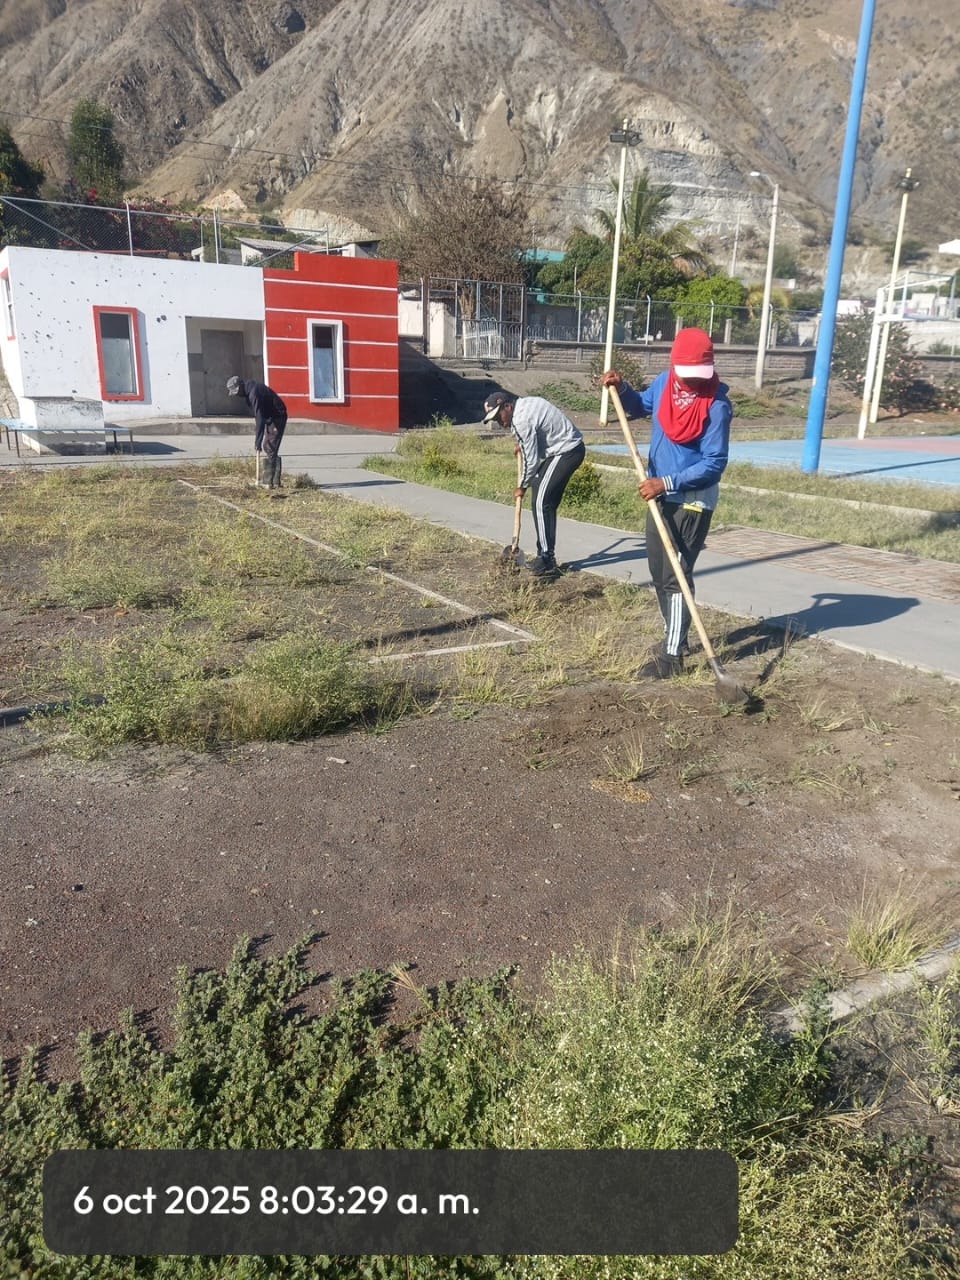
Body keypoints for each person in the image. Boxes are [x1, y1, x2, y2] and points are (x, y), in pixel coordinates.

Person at [602, 328, 733, 679]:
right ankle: (675, 637)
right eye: (687, 374)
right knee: (659, 572)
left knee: (676, 575)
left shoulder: (717, 406)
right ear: (675, 365)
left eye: (698, 375)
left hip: (690, 500)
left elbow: (714, 464)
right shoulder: (665, 383)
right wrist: (622, 389)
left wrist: (667, 482)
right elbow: (640, 406)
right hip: (659, 494)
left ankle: (672, 657)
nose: (693, 382)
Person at [481, 390, 585, 577]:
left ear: (507, 406)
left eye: (498, 416)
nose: (499, 422)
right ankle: (546, 555)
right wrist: (523, 444)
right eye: (494, 419)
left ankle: (546, 559)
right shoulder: (525, 405)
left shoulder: (521, 420)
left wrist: (522, 486)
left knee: (541, 501)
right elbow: (535, 434)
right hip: (565, 449)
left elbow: (531, 460)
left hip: (567, 451)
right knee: (543, 498)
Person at [226, 376, 288, 488]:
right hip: (271, 416)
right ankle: (274, 481)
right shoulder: (250, 392)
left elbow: (259, 418)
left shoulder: (253, 393)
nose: (237, 395)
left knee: (269, 447)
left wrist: (257, 442)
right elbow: (260, 416)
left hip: (278, 416)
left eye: (236, 392)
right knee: (269, 446)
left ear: (241, 387)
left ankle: (269, 482)